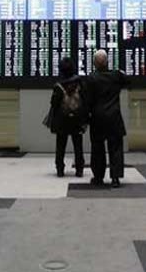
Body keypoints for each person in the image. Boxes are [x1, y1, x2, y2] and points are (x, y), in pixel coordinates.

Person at [85, 49, 130, 188]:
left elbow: (87, 100)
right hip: (114, 117)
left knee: (97, 149)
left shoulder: (91, 78)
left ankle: (98, 177)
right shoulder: (116, 76)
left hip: (97, 118)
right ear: (107, 62)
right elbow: (128, 81)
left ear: (94, 63)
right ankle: (115, 178)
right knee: (116, 148)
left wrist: (86, 118)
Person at [48, 56, 87, 178]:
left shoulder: (58, 86)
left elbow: (54, 103)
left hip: (62, 119)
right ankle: (79, 169)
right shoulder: (80, 83)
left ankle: (60, 169)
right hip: (77, 118)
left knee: (60, 145)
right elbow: (85, 100)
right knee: (78, 145)